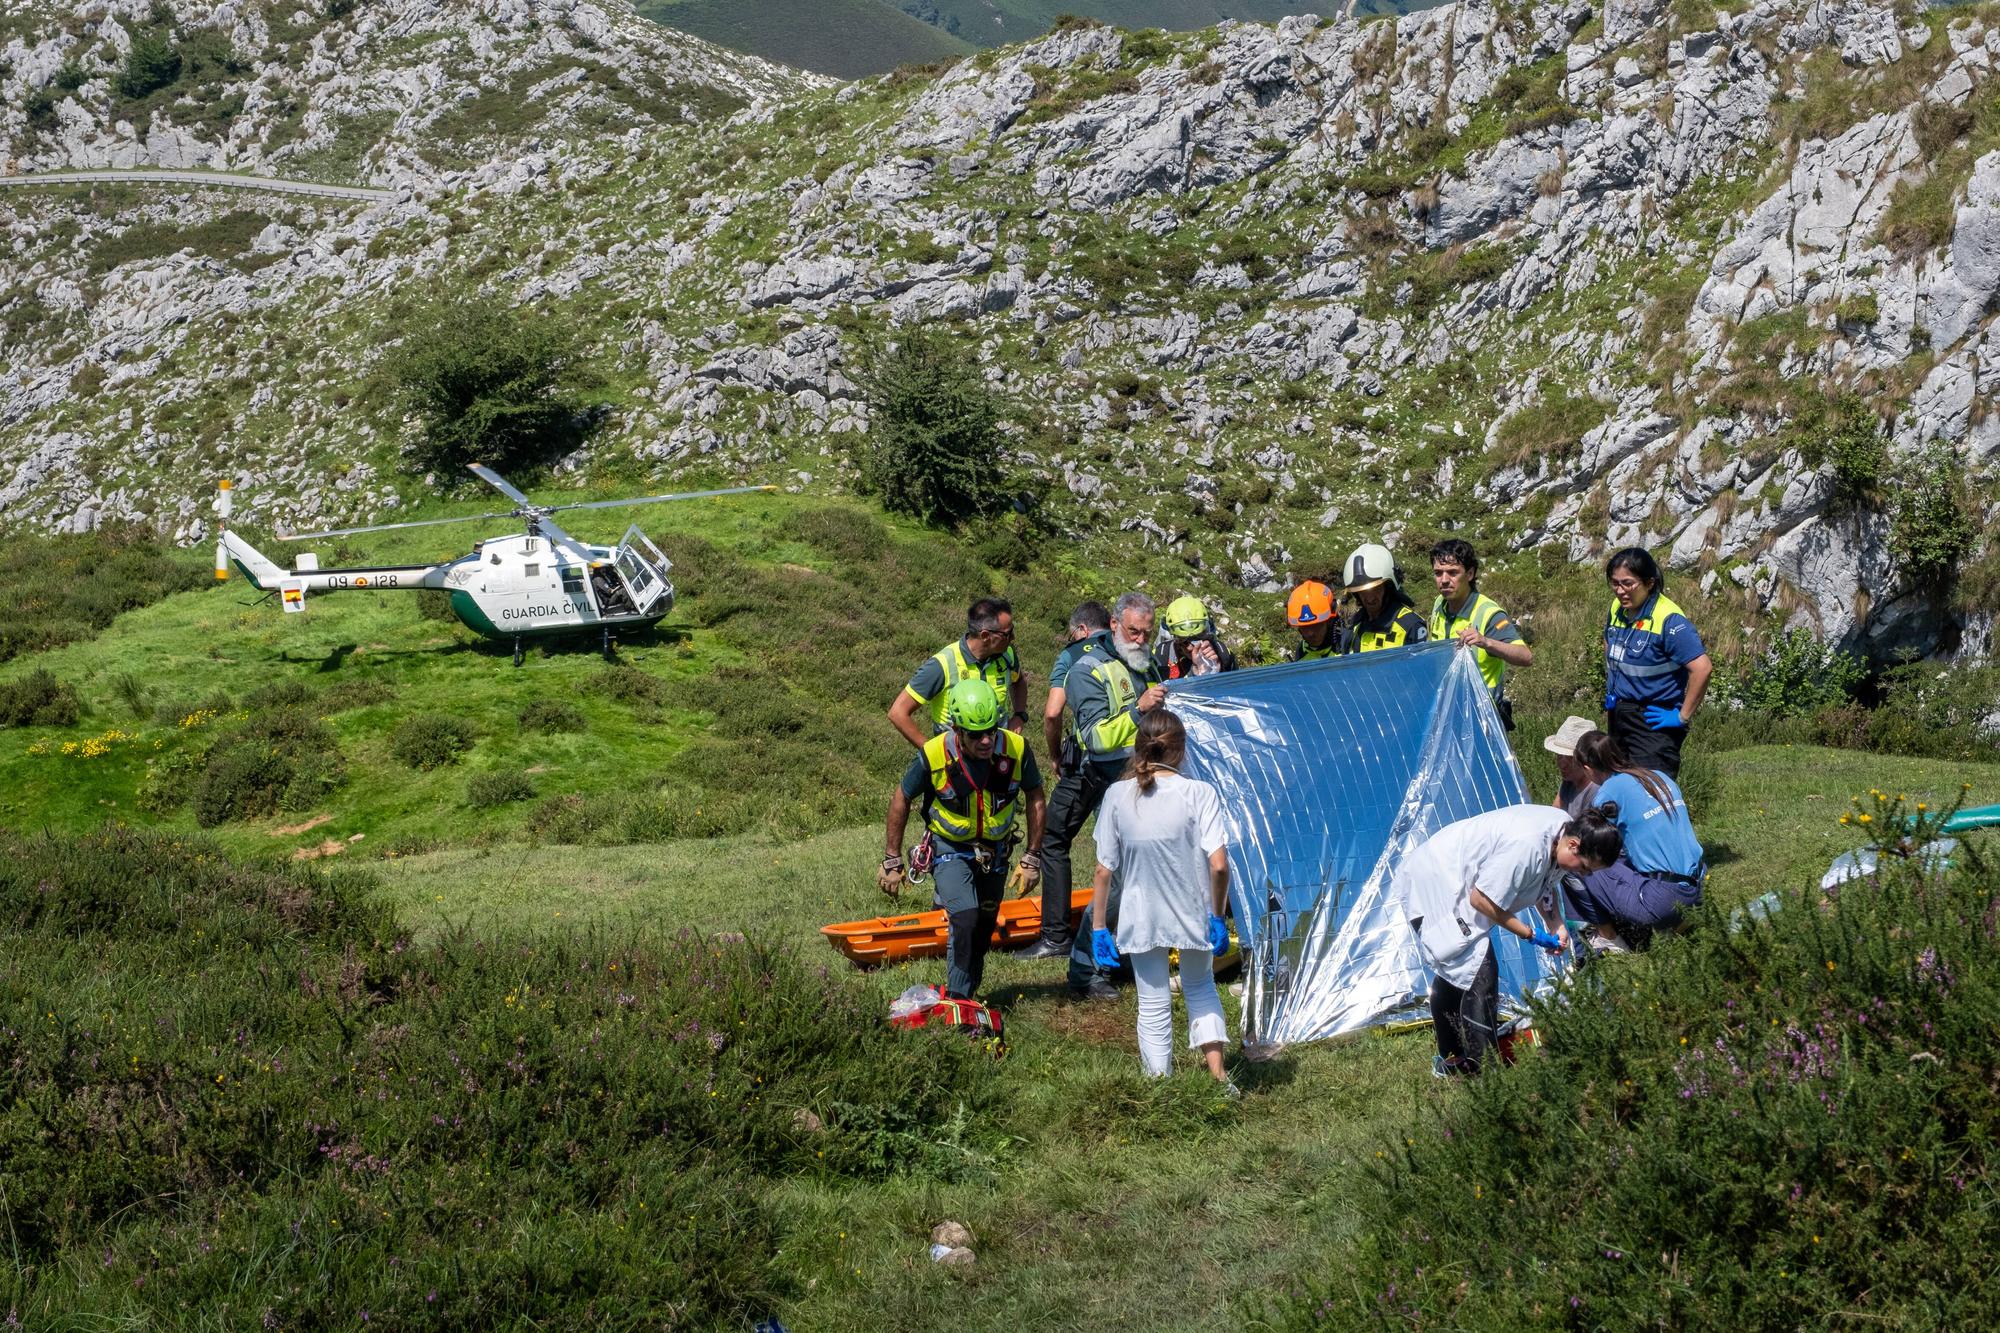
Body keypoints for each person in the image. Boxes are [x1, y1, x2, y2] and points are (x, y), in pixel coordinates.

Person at [1396, 803, 1623, 1077]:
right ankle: (1487, 1079)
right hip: (1439, 880)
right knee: (1480, 973)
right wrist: (1529, 934)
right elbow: (1481, 899)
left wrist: (1556, 924)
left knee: (1459, 966)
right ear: (1574, 845)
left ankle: (1452, 1061)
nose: (1583, 875)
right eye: (1585, 868)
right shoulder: (1528, 846)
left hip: (1460, 881)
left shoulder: (1564, 832)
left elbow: (1546, 880)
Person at [1020, 593, 1167, 990]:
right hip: (1109, 784)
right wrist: (1139, 710)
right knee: (1116, 878)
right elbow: (1097, 739)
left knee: (1142, 875)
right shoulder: (1086, 669)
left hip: (1147, 781)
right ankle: (1084, 967)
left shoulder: (1146, 662)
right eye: (1133, 631)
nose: (1139, 639)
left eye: (1146, 633)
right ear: (1115, 624)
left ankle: (1120, 959)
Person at [1087, 708, 1234, 1091]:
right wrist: (1217, 916)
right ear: (1181, 751)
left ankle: (1160, 1088)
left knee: (1152, 1001)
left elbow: (1104, 870)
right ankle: (1219, 1079)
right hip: (1193, 909)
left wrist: (1100, 928)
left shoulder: (1118, 794)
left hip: (1142, 912)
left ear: (1138, 748)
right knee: (1200, 986)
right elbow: (1219, 866)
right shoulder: (1200, 793)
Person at [880, 679, 1047, 1000]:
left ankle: (966, 995)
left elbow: (1036, 797)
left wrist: (1032, 858)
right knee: (966, 917)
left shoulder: (1016, 748)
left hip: (996, 853)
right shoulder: (933, 753)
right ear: (957, 729)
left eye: (991, 730)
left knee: (983, 929)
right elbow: (901, 796)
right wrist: (892, 858)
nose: (986, 740)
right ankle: (958, 1001)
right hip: (949, 849)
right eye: (975, 734)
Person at [1562, 731, 1705, 952]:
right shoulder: (1657, 776)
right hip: (1698, 886)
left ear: (1588, 768)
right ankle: (1677, 921)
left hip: (1663, 898)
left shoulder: (1608, 793)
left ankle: (1608, 936)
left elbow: (1591, 843)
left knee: (1575, 861)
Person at [1034, 601, 1110, 948]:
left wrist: (1054, 757)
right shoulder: (1128, 649)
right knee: (1119, 845)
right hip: (1133, 759)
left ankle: (1055, 936)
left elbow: (1052, 714)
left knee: (1053, 837)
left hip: (1089, 764)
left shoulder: (1074, 654)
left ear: (1080, 629)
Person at [1602, 548, 1713, 778]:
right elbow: (1609, 641)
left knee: (1650, 792)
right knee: (1620, 787)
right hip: (1620, 714)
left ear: (1649, 583)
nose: (1620, 591)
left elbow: (1702, 669)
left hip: (1653, 720)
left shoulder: (1669, 619)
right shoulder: (1618, 608)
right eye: (1615, 583)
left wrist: (1682, 717)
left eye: (1628, 584)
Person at [889, 597, 1030, 748]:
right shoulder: (942, 665)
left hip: (997, 758)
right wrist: (933, 754)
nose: (1013, 638)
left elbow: (1019, 681)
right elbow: (898, 713)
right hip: (956, 763)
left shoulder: (1007, 654)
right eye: (1007, 634)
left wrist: (1020, 715)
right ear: (985, 636)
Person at [1428, 539, 1532, 728]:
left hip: (1484, 720)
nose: (1444, 580)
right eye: (1438, 573)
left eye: (1452, 573)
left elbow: (1526, 657)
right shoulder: (1438, 605)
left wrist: (1486, 642)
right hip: (1447, 714)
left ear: (1470, 574)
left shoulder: (1488, 613)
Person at [1338, 543, 1428, 652]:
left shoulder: (1411, 625)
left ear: (1388, 587)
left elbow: (1424, 666)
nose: (1370, 598)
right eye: (1362, 592)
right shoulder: (1354, 627)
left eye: (1376, 589)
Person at [1152, 594, 1238, 679]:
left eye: (1197, 639)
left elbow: (1236, 687)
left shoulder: (1224, 655)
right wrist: (1194, 674)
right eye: (1183, 641)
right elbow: (1151, 690)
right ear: (1173, 637)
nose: (1190, 648)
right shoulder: (1159, 657)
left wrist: (1218, 671)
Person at [1544, 715, 1601, 817]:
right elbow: (1553, 814)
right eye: (1559, 755)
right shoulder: (1569, 781)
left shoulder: (1597, 792)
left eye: (1570, 758)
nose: (1562, 764)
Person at [1285, 579, 1344, 661]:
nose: (1310, 633)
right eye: (1304, 627)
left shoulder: (1348, 643)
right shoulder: (1301, 652)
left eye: (1316, 625)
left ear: (1330, 621)